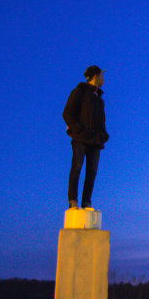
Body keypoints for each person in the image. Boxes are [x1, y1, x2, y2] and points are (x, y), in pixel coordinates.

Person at [62, 65, 108, 209]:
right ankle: (72, 201)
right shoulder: (79, 92)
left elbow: (102, 121)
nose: (103, 79)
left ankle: (86, 202)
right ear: (95, 76)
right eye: (102, 75)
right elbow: (67, 113)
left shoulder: (99, 99)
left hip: (95, 141)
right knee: (76, 167)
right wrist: (78, 130)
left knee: (92, 172)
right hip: (80, 138)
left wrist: (104, 136)